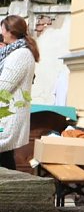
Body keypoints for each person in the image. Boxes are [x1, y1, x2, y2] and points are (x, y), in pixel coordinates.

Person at [0, 15, 40, 170]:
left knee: (4, 159)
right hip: (7, 115)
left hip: (8, 118)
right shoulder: (15, 52)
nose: (1, 33)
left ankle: (11, 191)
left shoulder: (20, 55)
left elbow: (3, 88)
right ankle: (11, 191)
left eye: (3, 29)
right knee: (5, 158)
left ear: (11, 32)